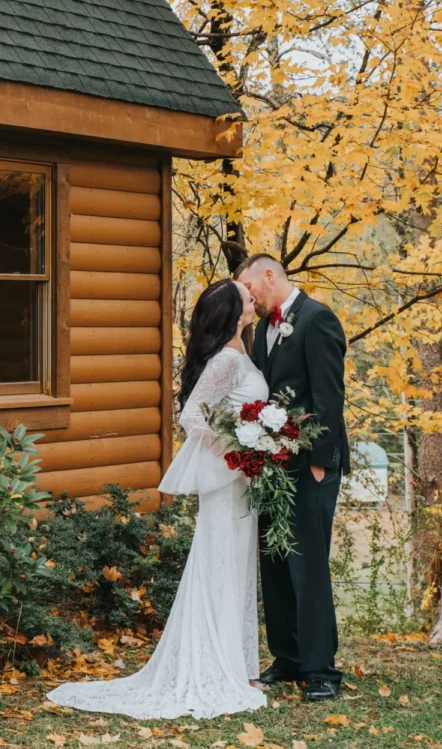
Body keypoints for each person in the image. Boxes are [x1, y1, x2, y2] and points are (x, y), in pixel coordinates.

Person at [47, 279, 269, 719]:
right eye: (246, 297)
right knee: (220, 561)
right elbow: (192, 414)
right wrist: (234, 448)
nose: (253, 299)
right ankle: (217, 667)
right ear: (233, 311)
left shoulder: (243, 351)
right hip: (229, 480)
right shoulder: (226, 358)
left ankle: (240, 664)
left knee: (238, 565)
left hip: (245, 481)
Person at [234, 253, 349, 703]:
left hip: (311, 468)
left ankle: (321, 670)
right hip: (271, 467)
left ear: (269, 275)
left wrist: (321, 461)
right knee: (276, 563)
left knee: (309, 568)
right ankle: (287, 656)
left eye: (250, 287)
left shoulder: (317, 319)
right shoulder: (263, 328)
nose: (249, 297)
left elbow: (329, 393)